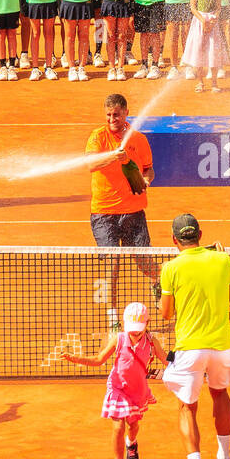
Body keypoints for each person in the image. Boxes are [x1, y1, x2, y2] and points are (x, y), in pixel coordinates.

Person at [158, 213, 230, 459]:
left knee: (187, 407)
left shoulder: (170, 268)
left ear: (174, 240)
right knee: (220, 393)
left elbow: (166, 313)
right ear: (200, 235)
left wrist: (165, 292)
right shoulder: (222, 259)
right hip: (222, 346)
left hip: (190, 348)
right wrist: (223, 260)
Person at [63, 301, 164, 459]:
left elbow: (166, 360)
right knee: (118, 426)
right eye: (132, 328)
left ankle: (131, 443)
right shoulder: (119, 339)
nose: (135, 333)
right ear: (125, 325)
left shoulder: (151, 341)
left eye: (139, 329)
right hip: (118, 389)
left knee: (133, 426)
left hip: (138, 391)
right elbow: (99, 360)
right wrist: (76, 359)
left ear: (147, 324)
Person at [86, 94, 158, 326]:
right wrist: (114, 157)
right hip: (103, 213)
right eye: (108, 115)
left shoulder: (138, 139)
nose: (112, 119)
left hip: (134, 211)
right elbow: (91, 164)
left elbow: (148, 170)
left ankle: (157, 283)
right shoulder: (98, 137)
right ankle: (113, 315)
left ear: (126, 112)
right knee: (112, 264)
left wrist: (146, 180)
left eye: (116, 114)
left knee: (144, 262)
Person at [181, 0, 225, 93]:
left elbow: (218, 7)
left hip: (212, 20)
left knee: (213, 50)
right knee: (198, 50)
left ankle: (214, 83)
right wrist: (202, 20)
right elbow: (193, 7)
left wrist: (213, 19)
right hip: (199, 21)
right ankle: (200, 82)